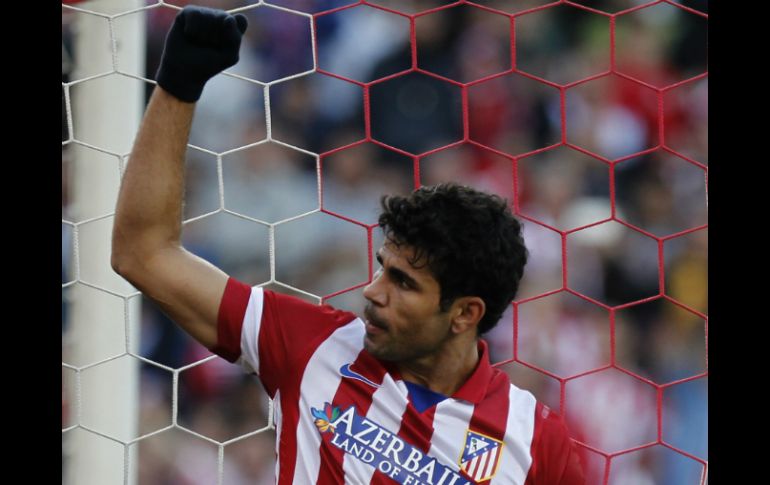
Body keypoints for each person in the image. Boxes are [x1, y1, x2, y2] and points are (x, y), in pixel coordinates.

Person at [111, 6, 585, 484]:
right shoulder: (314, 344)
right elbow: (144, 253)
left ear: (465, 313)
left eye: (404, 283)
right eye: (382, 267)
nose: (373, 292)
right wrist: (178, 86)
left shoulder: (534, 439)